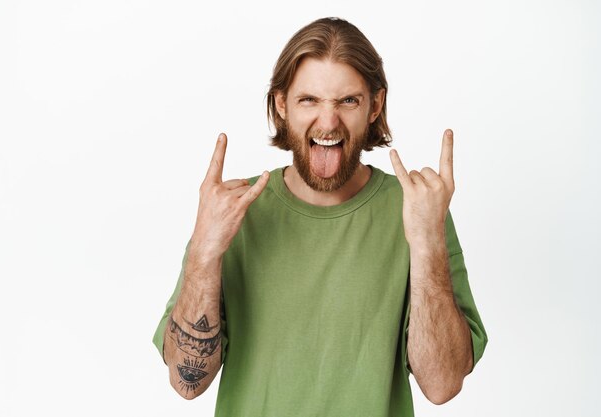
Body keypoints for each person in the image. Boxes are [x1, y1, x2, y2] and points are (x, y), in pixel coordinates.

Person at [153, 17, 487, 417]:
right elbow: (186, 383)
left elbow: (442, 384)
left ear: (375, 105)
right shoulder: (230, 212)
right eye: (309, 99)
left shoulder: (417, 210)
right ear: (281, 105)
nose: (328, 122)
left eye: (348, 101)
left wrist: (428, 241)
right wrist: (205, 253)